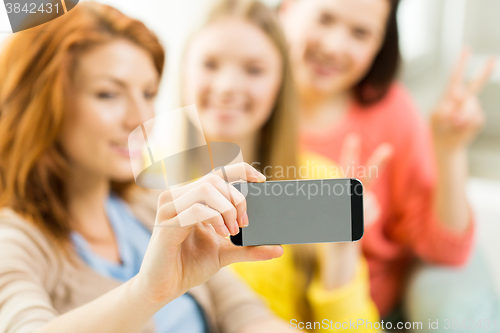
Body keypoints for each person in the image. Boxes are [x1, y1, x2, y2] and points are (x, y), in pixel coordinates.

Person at [0, 3, 302, 333]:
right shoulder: (16, 240)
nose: (140, 117)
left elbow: (246, 315)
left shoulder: (152, 208)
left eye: (148, 93)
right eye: (108, 94)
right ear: (40, 102)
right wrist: (148, 291)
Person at [278, 0, 497, 323]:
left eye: (361, 32)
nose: (335, 46)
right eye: (324, 18)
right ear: (285, 8)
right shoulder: (238, 103)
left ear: (381, 42)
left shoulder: (394, 114)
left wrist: (449, 151)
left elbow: (447, 251)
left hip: (365, 311)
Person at [181, 0, 381, 331]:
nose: (228, 86)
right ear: (184, 70)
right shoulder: (142, 181)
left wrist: (341, 256)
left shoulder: (317, 180)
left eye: (254, 70)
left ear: (279, 84)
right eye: (210, 64)